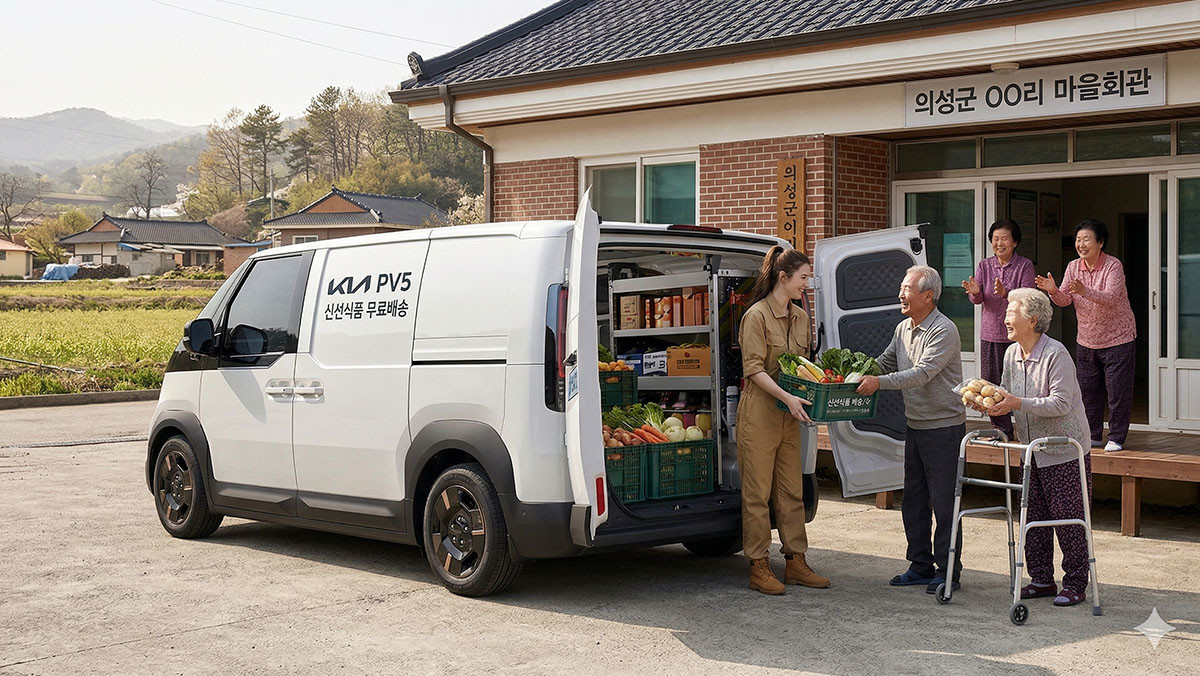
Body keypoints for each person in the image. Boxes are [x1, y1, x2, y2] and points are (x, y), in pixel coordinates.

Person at [856, 265, 966, 595]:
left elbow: (921, 374)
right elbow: (884, 363)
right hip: (915, 426)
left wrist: (877, 384)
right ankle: (920, 566)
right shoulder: (904, 328)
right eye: (902, 288)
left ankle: (949, 572)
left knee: (944, 504)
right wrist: (850, 375)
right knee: (914, 502)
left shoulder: (944, 331)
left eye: (907, 289)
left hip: (945, 429)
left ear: (928, 296)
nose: (901, 294)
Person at [985, 288, 1094, 607]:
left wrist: (1017, 402)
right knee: (1032, 517)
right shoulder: (1011, 354)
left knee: (1068, 518)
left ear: (1032, 319)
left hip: (1063, 449)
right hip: (1031, 449)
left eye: (1011, 312)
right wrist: (990, 402)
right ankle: (1042, 579)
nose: (1004, 318)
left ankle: (1076, 583)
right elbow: (1006, 393)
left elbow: (1060, 402)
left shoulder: (1055, 354)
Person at [736, 245, 829, 595]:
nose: (807, 284)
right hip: (760, 413)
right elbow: (754, 370)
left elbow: (803, 368)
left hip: (791, 414)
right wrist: (788, 398)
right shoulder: (756, 316)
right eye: (803, 277)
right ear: (783, 277)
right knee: (757, 494)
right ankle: (758, 566)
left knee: (791, 491)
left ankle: (796, 562)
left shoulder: (802, 317)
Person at [1035, 219, 1136, 451]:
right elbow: (1065, 300)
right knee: (1088, 391)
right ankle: (1093, 435)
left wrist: (1085, 291)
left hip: (1118, 338)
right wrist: (1053, 291)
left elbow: (1111, 297)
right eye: (1078, 240)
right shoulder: (1073, 266)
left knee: (1117, 391)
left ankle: (1117, 437)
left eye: (1086, 239)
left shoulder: (1113, 266)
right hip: (1087, 339)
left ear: (1100, 242)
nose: (1081, 244)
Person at [962, 219, 1036, 439]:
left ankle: (1027, 427)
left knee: (1022, 383)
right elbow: (977, 299)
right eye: (995, 239)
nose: (999, 243)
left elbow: (1028, 298)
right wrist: (975, 292)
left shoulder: (1024, 265)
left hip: (1019, 336)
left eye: (1004, 239)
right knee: (992, 383)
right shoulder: (985, 265)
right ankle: (1001, 429)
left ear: (1015, 242)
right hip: (991, 333)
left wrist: (1007, 293)